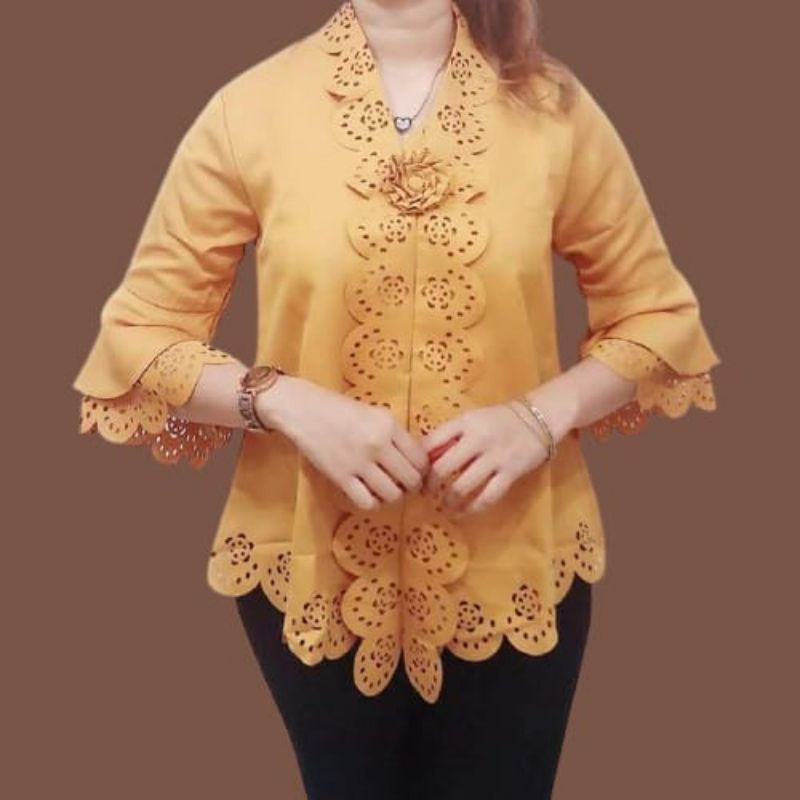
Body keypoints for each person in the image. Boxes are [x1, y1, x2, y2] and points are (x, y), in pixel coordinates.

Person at [71, 1, 721, 797]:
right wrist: (283, 401)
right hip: (313, 562)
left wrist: (538, 418)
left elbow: (660, 316)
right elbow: (138, 337)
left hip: (517, 554)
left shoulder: (552, 109)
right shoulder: (251, 110)